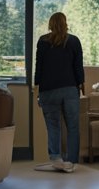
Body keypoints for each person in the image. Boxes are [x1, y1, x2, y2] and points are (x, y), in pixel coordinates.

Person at [33, 11, 84, 172]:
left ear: (50, 24)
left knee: (53, 126)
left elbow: (39, 67)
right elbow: (78, 67)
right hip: (70, 89)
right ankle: (71, 161)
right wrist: (81, 85)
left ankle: (56, 158)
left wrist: (37, 89)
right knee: (73, 126)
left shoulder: (42, 41)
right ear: (65, 23)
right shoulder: (74, 41)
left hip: (48, 90)